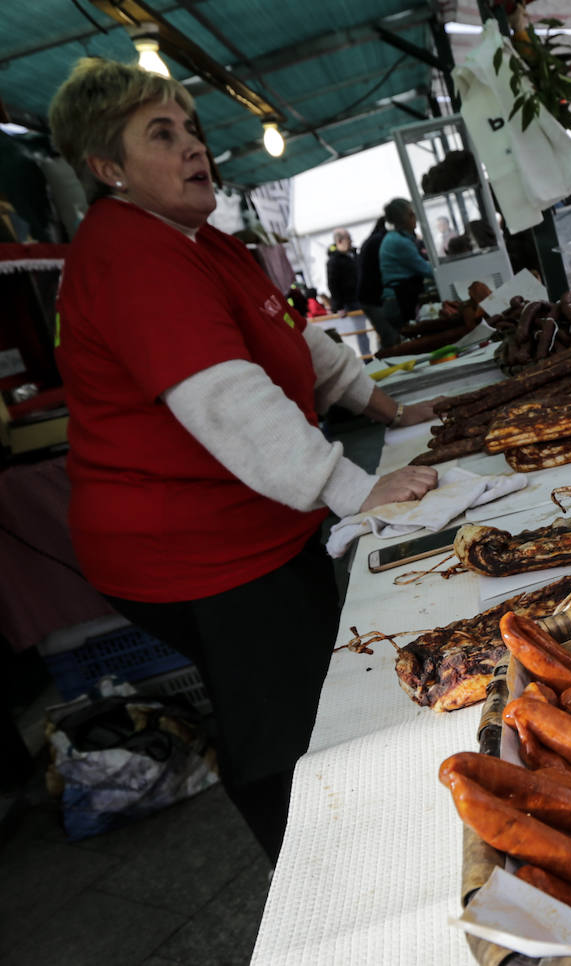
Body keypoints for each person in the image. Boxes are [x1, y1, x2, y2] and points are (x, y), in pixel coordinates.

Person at [46, 57, 442, 862]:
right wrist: (352, 488)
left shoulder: (208, 245)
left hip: (254, 522)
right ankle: (331, 873)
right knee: (281, 722)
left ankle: (361, 826)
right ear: (106, 168)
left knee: (311, 685)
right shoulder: (130, 252)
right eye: (163, 134)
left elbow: (295, 337)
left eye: (192, 129)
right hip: (195, 548)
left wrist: (389, 407)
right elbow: (226, 396)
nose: (196, 147)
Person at [378, 196, 434, 339]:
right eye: (411, 214)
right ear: (403, 218)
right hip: (399, 301)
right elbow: (426, 270)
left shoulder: (395, 238)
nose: (414, 217)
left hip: (398, 299)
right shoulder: (399, 241)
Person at [356, 214, 400, 351]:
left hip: (369, 296)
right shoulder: (382, 241)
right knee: (391, 338)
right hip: (374, 297)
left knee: (389, 336)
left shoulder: (372, 240)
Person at [325, 228, 360, 312]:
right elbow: (333, 284)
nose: (351, 241)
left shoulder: (353, 255)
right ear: (340, 241)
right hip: (350, 302)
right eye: (348, 238)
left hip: (361, 298)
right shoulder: (334, 261)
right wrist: (339, 306)